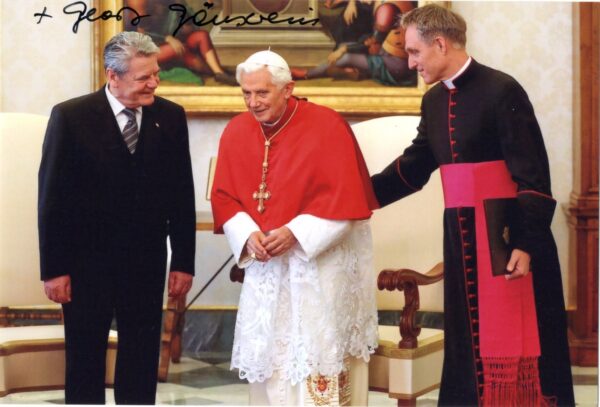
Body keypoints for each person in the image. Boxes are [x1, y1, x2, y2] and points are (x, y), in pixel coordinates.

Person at [371, 4, 574, 406]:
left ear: (441, 44)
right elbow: (414, 168)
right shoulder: (432, 101)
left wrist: (524, 243)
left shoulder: (503, 90)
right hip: (462, 242)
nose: (409, 62)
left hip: (508, 238)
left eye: (414, 52)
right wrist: (355, 192)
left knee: (527, 352)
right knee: (468, 352)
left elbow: (533, 175)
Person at [211, 50, 379, 405]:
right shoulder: (237, 130)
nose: (252, 103)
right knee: (271, 361)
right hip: (267, 270)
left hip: (318, 270)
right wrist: (246, 234)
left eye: (262, 93)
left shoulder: (327, 125)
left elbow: (347, 204)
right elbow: (225, 198)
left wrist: (296, 233)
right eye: (246, 93)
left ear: (287, 89)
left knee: (317, 355)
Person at [38, 31, 196, 405]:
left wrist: (184, 263)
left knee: (141, 359)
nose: (154, 82)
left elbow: (181, 195)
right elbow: (51, 199)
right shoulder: (71, 116)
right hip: (83, 265)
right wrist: (54, 269)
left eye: (155, 73)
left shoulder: (170, 117)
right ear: (113, 76)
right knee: (84, 359)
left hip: (146, 262)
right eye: (144, 77)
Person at [292, 1, 416, 86]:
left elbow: (375, 43)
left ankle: (307, 75)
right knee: (345, 46)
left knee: (346, 56)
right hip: (387, 55)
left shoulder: (387, 8)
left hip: (396, 66)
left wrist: (344, 49)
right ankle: (354, 72)